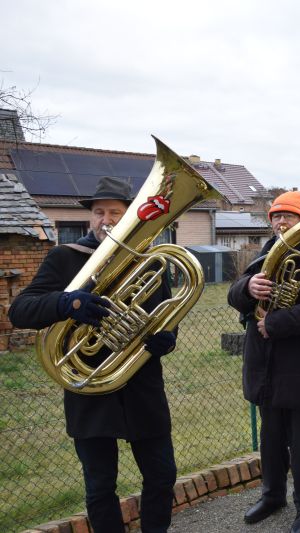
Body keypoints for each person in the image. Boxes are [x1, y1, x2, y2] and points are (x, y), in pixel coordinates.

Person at [8, 176, 178, 533]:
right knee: (100, 488)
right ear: (90, 218)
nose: (106, 220)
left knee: (162, 476)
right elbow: (20, 310)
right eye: (99, 212)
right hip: (89, 390)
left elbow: (168, 315)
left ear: (130, 215)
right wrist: (68, 302)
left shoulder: (149, 260)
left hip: (141, 386)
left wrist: (167, 338)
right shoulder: (65, 258)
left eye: (115, 212)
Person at [227, 190, 300, 533]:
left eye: (288, 216)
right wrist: (249, 288)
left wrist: (273, 323)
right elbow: (233, 296)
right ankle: (272, 496)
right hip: (268, 369)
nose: (280, 221)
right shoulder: (266, 254)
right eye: (276, 215)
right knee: (272, 440)